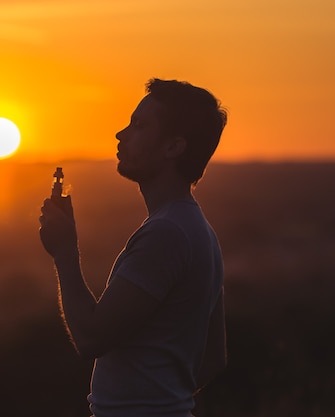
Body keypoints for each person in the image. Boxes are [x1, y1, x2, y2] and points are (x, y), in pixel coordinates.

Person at [39, 78, 228, 417]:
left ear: (174, 147)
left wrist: (65, 252)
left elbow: (91, 338)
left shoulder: (166, 235)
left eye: (139, 125)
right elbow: (214, 358)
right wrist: (165, 397)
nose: (121, 134)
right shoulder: (198, 231)